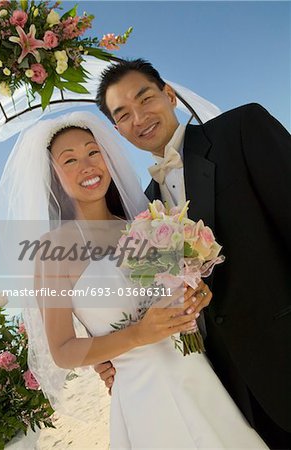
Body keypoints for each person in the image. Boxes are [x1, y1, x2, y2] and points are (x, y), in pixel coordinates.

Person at [0, 111, 268, 449]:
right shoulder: (50, 251)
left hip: (201, 376)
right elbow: (63, 351)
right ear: (54, 176)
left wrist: (196, 295)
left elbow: (178, 294)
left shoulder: (144, 226)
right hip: (145, 398)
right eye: (70, 160)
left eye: (93, 152)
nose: (87, 165)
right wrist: (138, 335)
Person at [95, 59, 291, 449]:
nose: (139, 117)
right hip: (230, 388)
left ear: (169, 95)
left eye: (145, 98)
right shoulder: (145, 210)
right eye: (123, 115)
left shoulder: (240, 129)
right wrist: (111, 354)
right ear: (118, 130)